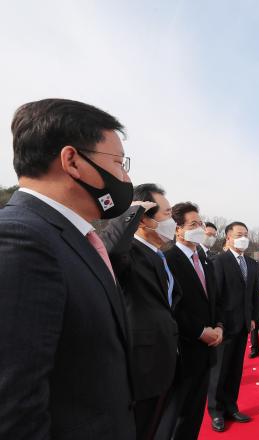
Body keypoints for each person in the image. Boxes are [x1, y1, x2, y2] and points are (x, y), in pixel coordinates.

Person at [0, 98, 136, 439]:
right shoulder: (20, 238)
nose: (125, 176)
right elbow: (14, 406)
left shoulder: (71, 236)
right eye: (119, 162)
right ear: (72, 160)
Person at [100, 183, 181, 440]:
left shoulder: (158, 255)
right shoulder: (129, 252)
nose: (173, 221)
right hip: (140, 366)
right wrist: (133, 211)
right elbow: (110, 251)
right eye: (167, 214)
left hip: (163, 360)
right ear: (146, 220)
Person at [160, 202, 224, 440]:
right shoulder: (167, 259)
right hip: (184, 349)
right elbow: (171, 306)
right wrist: (199, 331)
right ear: (178, 229)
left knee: (196, 411)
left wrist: (219, 326)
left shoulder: (205, 260)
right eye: (194, 224)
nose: (200, 228)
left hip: (208, 348)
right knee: (180, 412)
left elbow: (215, 298)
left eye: (201, 223)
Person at [208, 221, 259, 432]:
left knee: (235, 371)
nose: (243, 237)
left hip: (244, 325)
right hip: (224, 326)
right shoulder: (219, 262)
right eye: (239, 234)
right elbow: (216, 297)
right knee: (219, 371)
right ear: (228, 237)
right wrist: (218, 323)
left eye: (246, 234)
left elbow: (254, 295)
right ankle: (216, 411)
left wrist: (253, 318)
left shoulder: (252, 263)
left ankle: (231, 407)